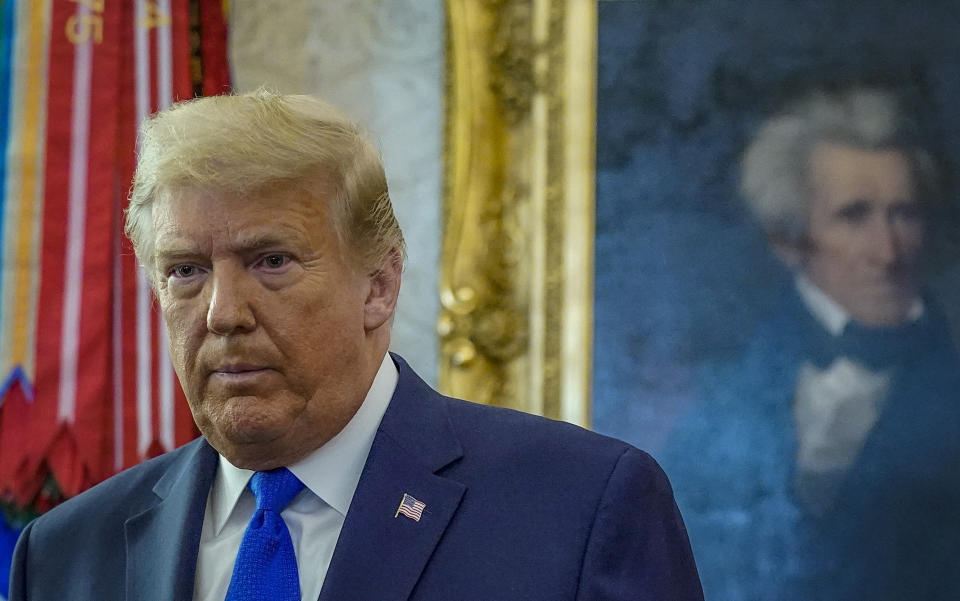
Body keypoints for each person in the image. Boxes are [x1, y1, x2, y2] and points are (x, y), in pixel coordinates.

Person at [8, 91, 703, 601]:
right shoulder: (65, 554)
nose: (221, 313)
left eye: (271, 260)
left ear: (379, 284)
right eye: (186, 271)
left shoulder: (580, 509)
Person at [662, 85, 960, 600]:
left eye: (904, 214)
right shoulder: (723, 389)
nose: (886, 252)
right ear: (787, 239)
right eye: (854, 216)